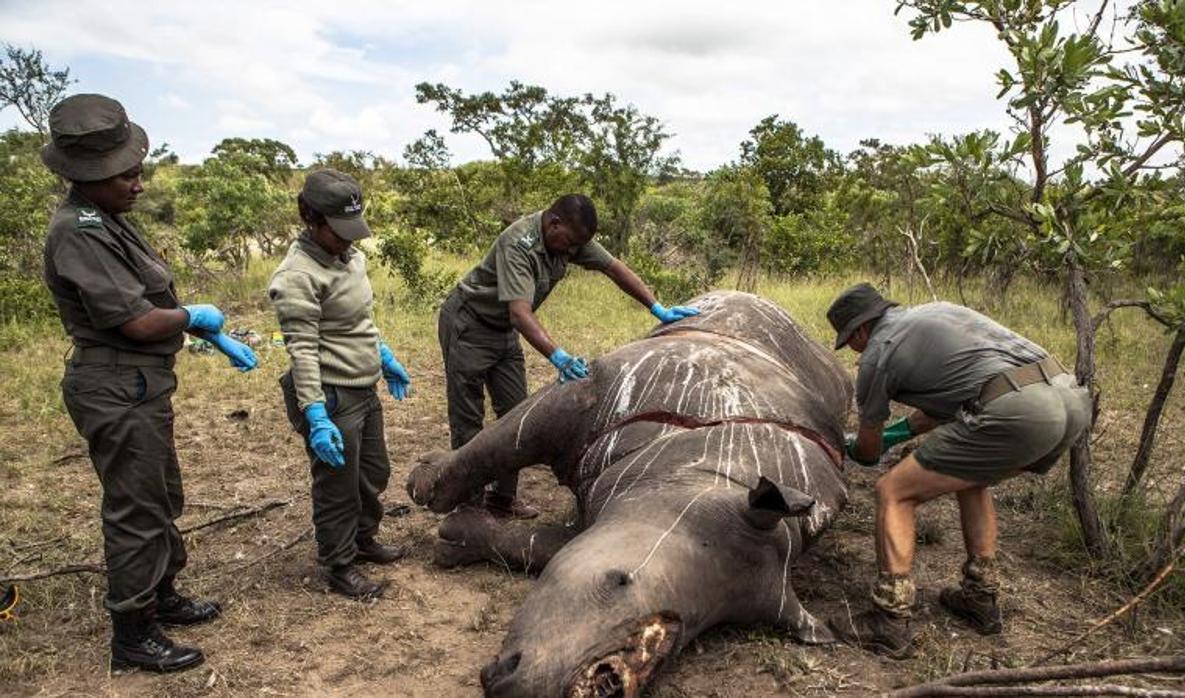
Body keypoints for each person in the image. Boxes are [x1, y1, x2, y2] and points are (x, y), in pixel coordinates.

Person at [41, 94, 258, 673]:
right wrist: (194, 318)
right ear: (88, 176)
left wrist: (202, 329)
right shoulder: (78, 232)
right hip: (114, 384)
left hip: (139, 382)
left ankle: (162, 594)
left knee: (162, 495)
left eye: (138, 170)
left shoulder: (108, 220)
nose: (138, 184)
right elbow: (136, 320)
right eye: (126, 175)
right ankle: (133, 633)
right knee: (136, 509)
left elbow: (149, 297)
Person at [826, 283, 1091, 658]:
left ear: (860, 331)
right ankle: (981, 597)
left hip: (1021, 412)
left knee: (893, 491)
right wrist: (898, 435)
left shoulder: (877, 353)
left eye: (848, 341)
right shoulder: (938, 313)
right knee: (972, 477)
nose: (853, 350)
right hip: (1069, 400)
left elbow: (867, 454)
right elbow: (952, 401)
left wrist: (853, 444)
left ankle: (890, 619)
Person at [439, 193, 700, 519]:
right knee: (468, 417)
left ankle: (502, 500)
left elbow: (614, 268)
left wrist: (656, 307)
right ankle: (469, 505)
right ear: (554, 223)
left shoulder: (570, 237)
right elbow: (520, 314)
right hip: (470, 323)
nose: (574, 251)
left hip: (504, 332)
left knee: (514, 413)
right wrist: (557, 356)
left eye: (579, 246)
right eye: (571, 243)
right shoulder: (518, 244)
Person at [269, 169, 411, 600]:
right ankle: (339, 563)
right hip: (330, 393)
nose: (349, 240)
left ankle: (364, 540)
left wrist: (383, 356)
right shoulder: (297, 275)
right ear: (310, 219)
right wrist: (315, 413)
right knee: (337, 486)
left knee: (373, 472)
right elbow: (303, 349)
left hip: (363, 386)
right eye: (338, 231)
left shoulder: (351, 258)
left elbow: (360, 320)